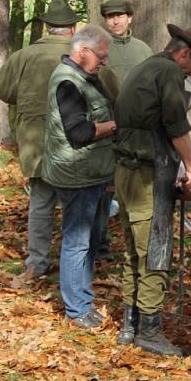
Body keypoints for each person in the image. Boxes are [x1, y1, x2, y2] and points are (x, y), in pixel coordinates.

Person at [113, 24, 191, 356]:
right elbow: (176, 124)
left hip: (125, 171)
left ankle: (130, 325)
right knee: (155, 251)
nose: (190, 71)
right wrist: (190, 168)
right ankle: (150, 332)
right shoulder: (168, 71)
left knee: (133, 250)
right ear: (185, 53)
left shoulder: (144, 65)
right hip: (147, 174)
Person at [0, 0, 80, 287]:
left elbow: (3, 90)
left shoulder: (23, 56)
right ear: (72, 28)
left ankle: (38, 262)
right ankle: (76, 266)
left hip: (36, 142)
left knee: (41, 204)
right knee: (75, 206)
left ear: (46, 26)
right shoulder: (84, 54)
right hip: (74, 142)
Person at [42, 24, 117, 328]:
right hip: (76, 175)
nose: (104, 61)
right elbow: (81, 132)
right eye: (101, 55)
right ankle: (77, 309)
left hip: (90, 172)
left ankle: (82, 300)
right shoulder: (68, 83)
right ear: (83, 51)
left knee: (88, 239)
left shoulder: (85, 78)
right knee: (77, 241)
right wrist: (116, 126)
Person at [97, 0, 154, 261]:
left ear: (130, 18)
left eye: (120, 15)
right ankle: (99, 242)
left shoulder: (143, 50)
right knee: (103, 187)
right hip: (104, 127)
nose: (116, 21)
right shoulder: (98, 49)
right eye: (110, 17)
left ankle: (135, 244)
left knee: (136, 188)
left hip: (137, 131)